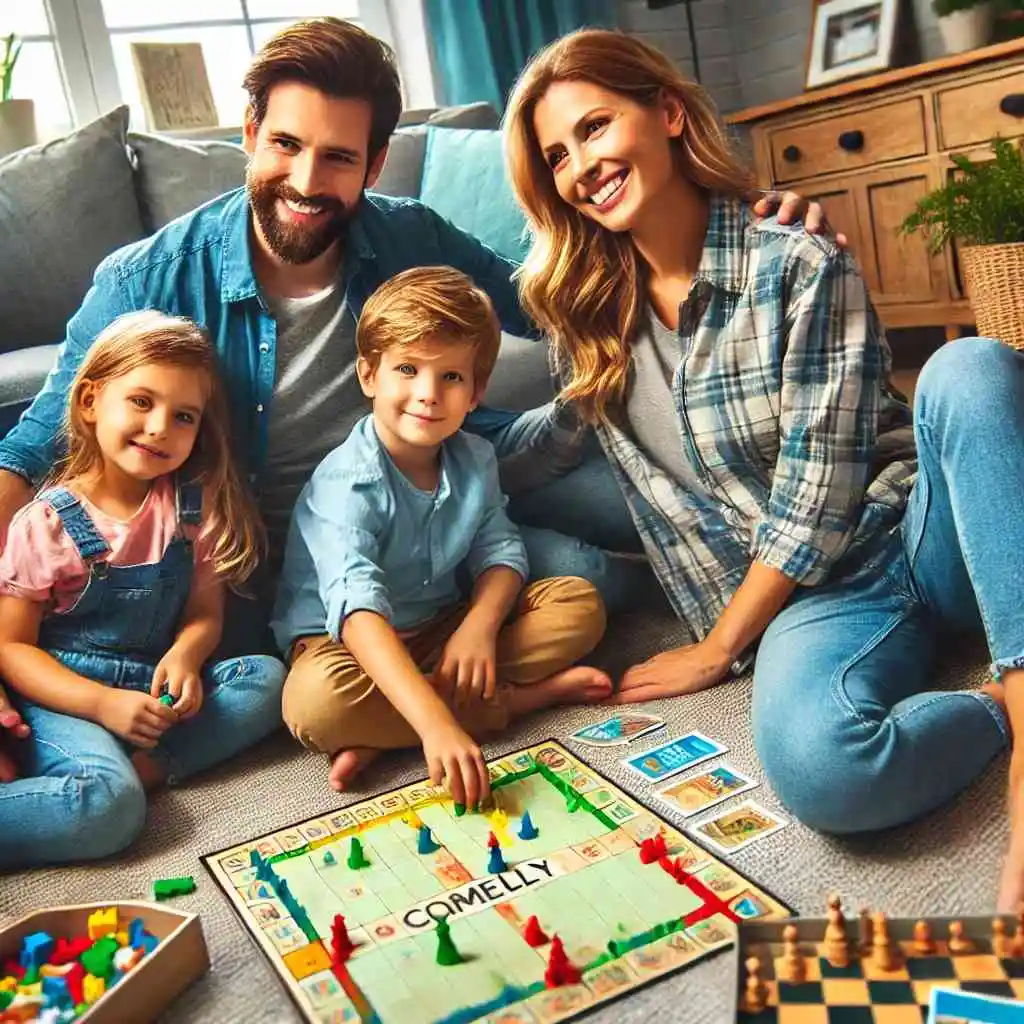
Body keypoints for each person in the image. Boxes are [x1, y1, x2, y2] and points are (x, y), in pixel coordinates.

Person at [0, 16, 830, 780]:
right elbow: (27, 451)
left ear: (376, 155)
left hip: (446, 489)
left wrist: (740, 229)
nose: (304, 179)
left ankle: (827, 590)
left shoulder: (404, 233)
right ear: (249, 135)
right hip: (286, 559)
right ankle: (460, 699)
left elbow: (557, 300)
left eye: (339, 158)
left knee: (628, 533)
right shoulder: (149, 277)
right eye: (284, 144)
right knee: (312, 686)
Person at [504, 28, 1024, 906]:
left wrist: (718, 646)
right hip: (822, 604)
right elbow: (517, 469)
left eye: (595, 127)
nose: (581, 165)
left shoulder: (795, 259)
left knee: (968, 370)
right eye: (558, 154)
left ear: (668, 112)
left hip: (920, 528)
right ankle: (997, 711)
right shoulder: (587, 327)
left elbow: (819, 498)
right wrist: (551, 404)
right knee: (827, 773)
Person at [273, 267, 612, 800]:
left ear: (476, 391)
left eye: (451, 377)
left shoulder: (475, 459)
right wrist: (436, 727)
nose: (428, 395)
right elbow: (357, 609)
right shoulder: (346, 484)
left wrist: (478, 626)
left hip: (441, 629)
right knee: (316, 706)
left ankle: (385, 732)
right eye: (407, 369)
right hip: (345, 645)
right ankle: (512, 703)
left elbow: (499, 549)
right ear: (369, 377)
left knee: (579, 602)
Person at [0, 312, 285, 868]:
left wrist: (186, 653)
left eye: (183, 416)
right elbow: (11, 647)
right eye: (141, 402)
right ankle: (103, 787)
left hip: (150, 692)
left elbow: (205, 610)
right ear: (90, 401)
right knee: (107, 810)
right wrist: (101, 704)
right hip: (65, 699)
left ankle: (140, 768)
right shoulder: (46, 523)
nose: (159, 427)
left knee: (267, 679)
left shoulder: (192, 507)